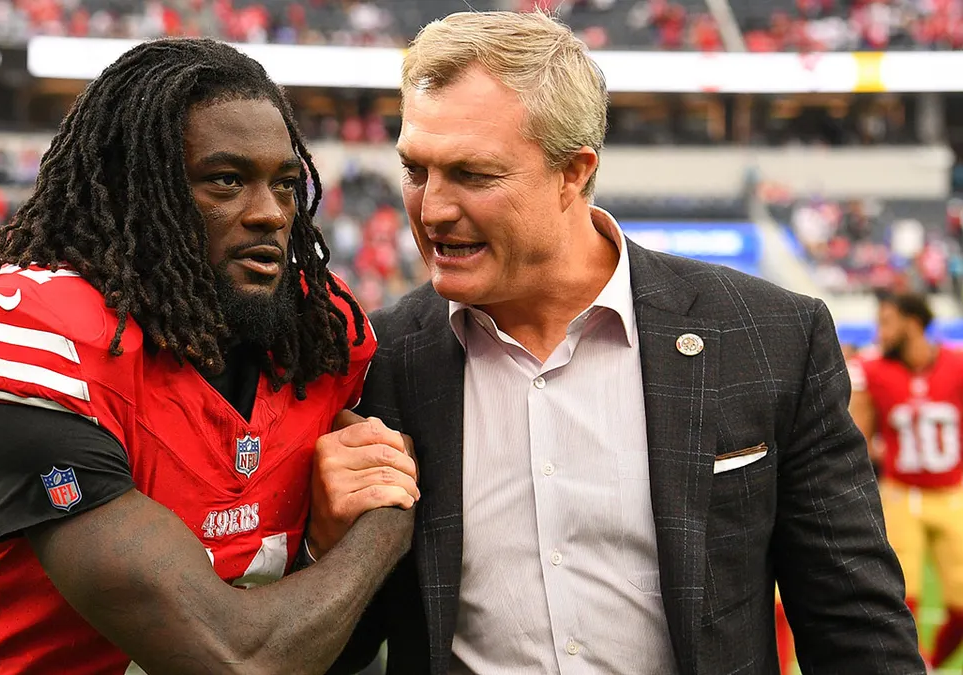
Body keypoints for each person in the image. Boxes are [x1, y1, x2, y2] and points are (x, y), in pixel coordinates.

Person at [315, 11, 923, 675]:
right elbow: (333, 652)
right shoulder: (376, 360)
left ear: (574, 172)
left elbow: (857, 630)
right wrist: (328, 544)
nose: (431, 208)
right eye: (415, 169)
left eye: (473, 174)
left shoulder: (769, 337)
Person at [0, 38, 418, 675]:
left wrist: (325, 545)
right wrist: (385, 524)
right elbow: (232, 661)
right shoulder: (44, 343)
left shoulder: (318, 339)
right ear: (136, 190)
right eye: (226, 181)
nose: (270, 213)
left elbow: (332, 637)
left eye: (286, 185)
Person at [849, 292, 963, 671]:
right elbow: (859, 438)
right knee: (900, 599)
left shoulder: (956, 364)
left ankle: (931, 664)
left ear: (912, 323)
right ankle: (917, 667)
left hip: (952, 493)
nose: (879, 332)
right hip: (900, 493)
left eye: (886, 322)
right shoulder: (873, 370)